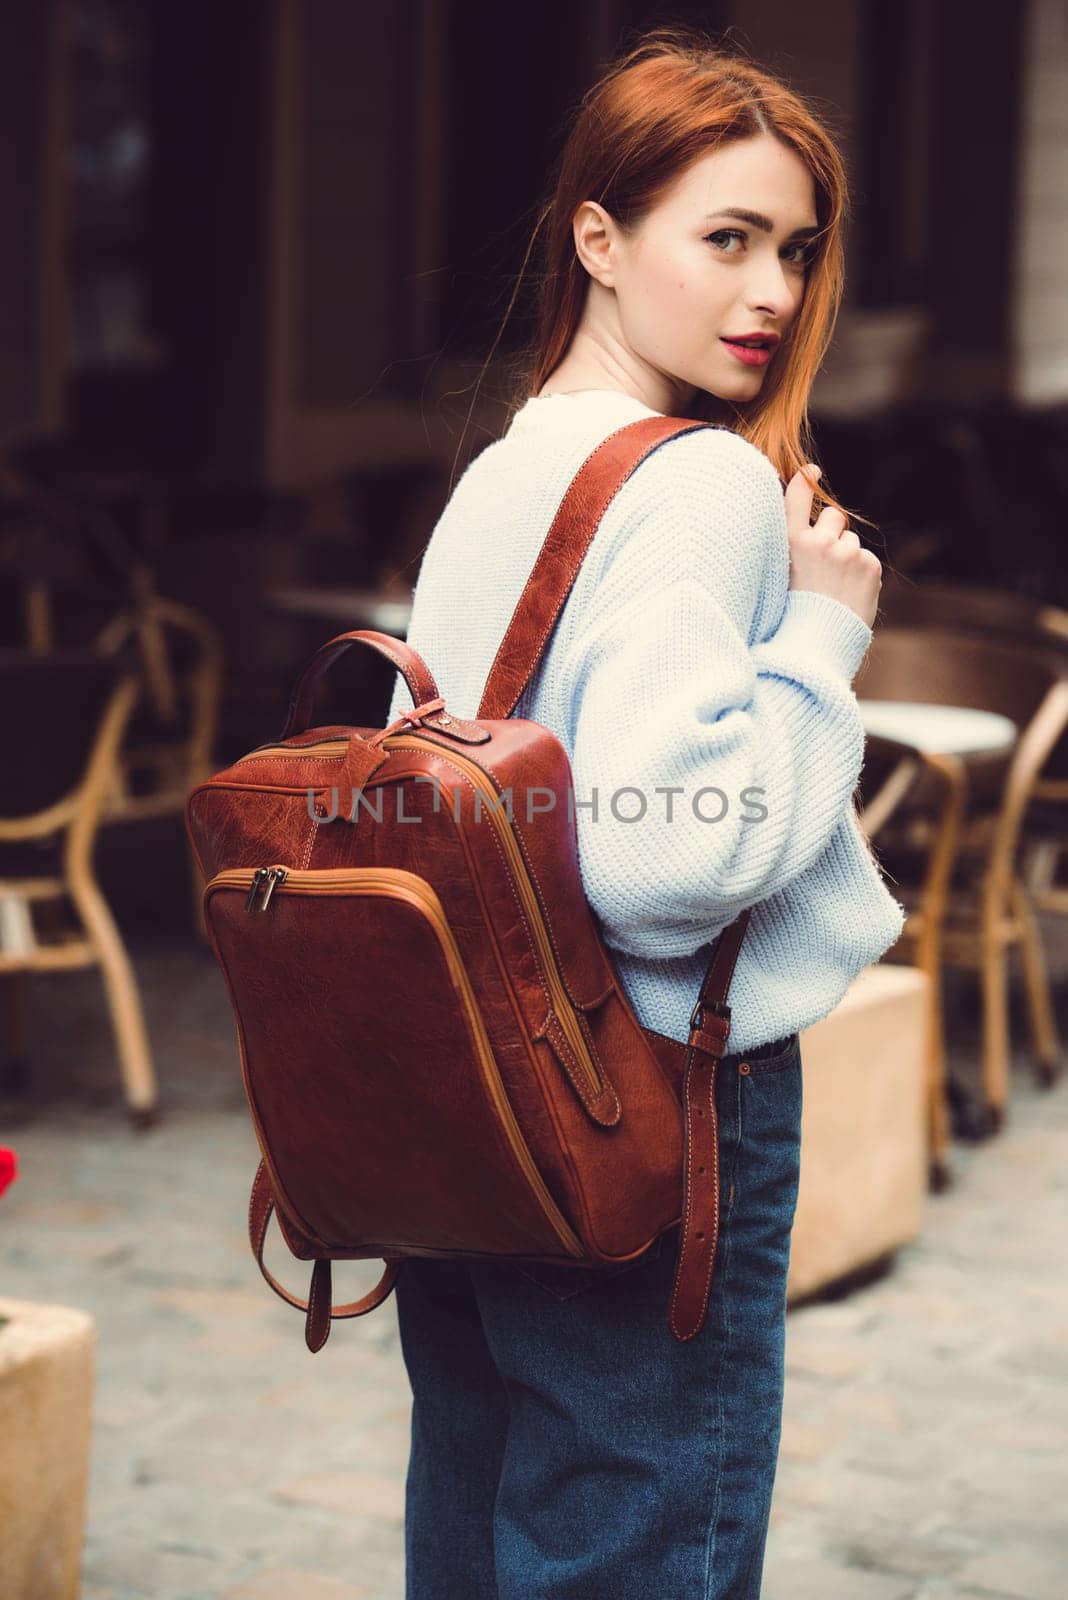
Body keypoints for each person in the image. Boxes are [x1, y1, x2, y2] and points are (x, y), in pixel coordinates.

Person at [383, 27, 906, 1600]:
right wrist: (823, 640)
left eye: (797, 250)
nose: (772, 294)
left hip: (462, 1086)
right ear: (599, 240)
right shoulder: (702, 484)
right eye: (726, 239)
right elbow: (669, 859)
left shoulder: (509, 465)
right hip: (645, 1092)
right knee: (628, 1549)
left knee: (476, 1534)